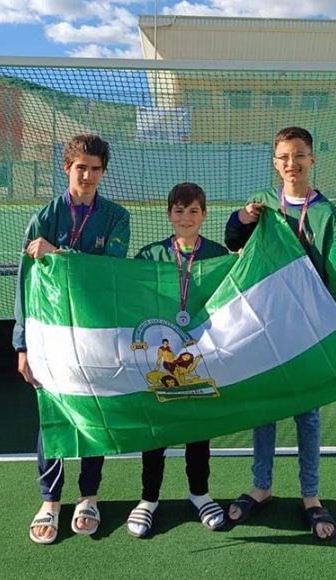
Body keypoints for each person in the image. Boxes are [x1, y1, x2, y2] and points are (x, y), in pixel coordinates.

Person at [224, 126, 336, 540]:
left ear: (313, 159)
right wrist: (242, 218)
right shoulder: (264, 203)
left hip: (311, 333)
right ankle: (261, 487)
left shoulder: (329, 216)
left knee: (307, 415)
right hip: (266, 328)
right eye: (283, 157)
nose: (291, 164)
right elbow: (231, 242)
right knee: (265, 408)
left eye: (298, 155)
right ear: (274, 163)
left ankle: (311, 497)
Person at [13, 134, 130, 544]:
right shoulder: (43, 217)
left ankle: (89, 495)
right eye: (81, 167)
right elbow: (25, 284)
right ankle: (50, 501)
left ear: (103, 171)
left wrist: (58, 254)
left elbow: (109, 270)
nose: (88, 175)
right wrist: (22, 345)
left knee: (92, 413)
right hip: (51, 336)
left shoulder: (117, 217)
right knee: (54, 414)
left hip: (94, 333)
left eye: (96, 168)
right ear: (67, 168)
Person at [126, 183, 229, 538]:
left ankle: (199, 494)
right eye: (179, 211)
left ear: (204, 214)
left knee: (198, 429)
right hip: (158, 358)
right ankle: (148, 499)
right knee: (156, 430)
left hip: (199, 358)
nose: (186, 218)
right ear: (169, 213)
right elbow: (125, 291)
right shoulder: (150, 255)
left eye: (194, 211)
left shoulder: (218, 254)